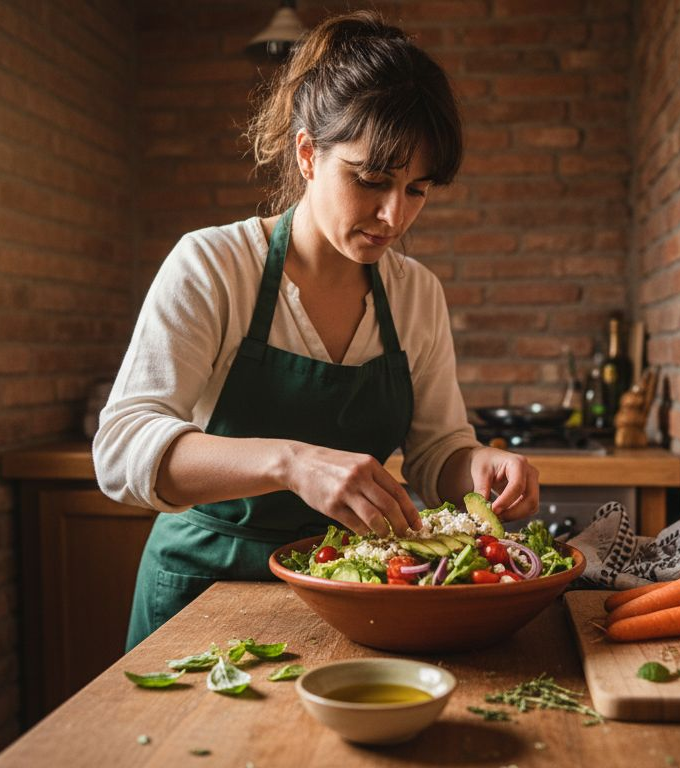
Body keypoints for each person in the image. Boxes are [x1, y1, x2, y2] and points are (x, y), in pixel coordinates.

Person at [94, 10, 539, 651]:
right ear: (308, 155)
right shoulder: (214, 266)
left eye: (418, 190)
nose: (394, 216)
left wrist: (479, 465)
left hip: (353, 601)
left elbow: (438, 453)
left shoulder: (416, 295)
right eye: (372, 180)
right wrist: (291, 462)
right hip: (205, 598)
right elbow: (120, 449)